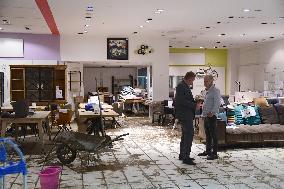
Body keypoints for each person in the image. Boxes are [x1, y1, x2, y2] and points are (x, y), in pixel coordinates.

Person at [175, 71, 197, 165]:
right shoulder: (181, 86)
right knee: (189, 135)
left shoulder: (183, 85)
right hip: (185, 114)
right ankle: (186, 157)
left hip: (185, 114)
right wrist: (194, 105)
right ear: (189, 78)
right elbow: (182, 101)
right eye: (192, 80)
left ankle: (182, 154)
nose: (192, 82)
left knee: (185, 135)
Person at [198, 75, 221, 160]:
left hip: (212, 116)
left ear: (211, 81)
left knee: (213, 135)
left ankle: (214, 154)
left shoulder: (215, 91)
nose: (205, 83)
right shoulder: (207, 91)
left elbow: (217, 103)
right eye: (204, 81)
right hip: (206, 115)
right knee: (207, 135)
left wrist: (213, 112)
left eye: (206, 81)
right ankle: (208, 151)